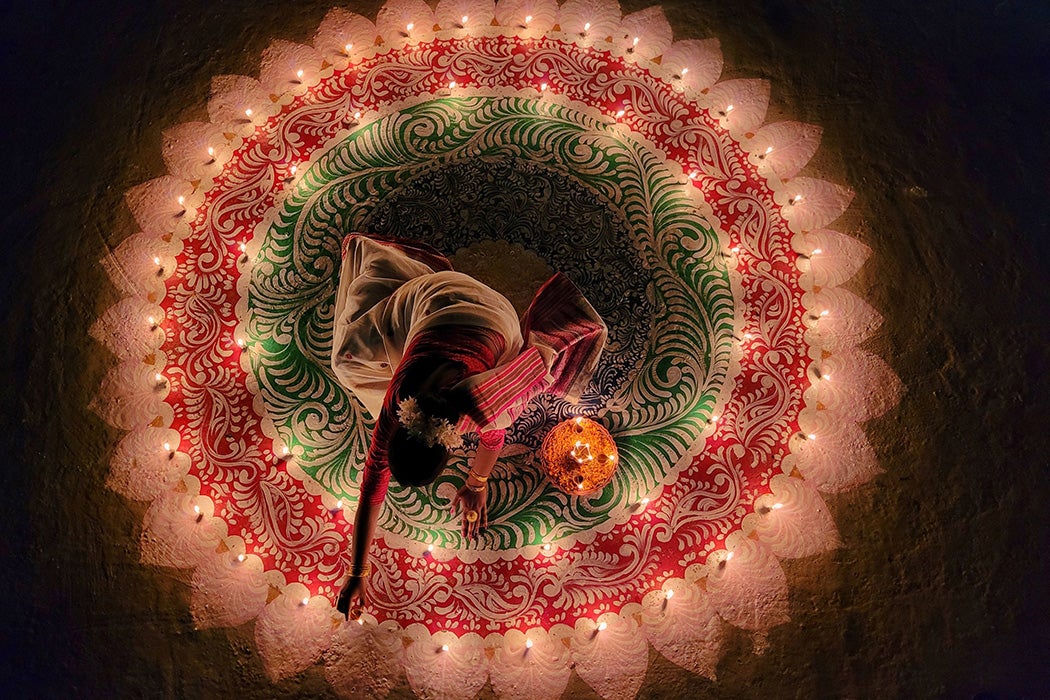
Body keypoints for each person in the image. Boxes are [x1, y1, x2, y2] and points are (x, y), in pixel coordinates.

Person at [331, 233, 606, 620]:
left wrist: (477, 483)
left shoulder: (475, 407)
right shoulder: (402, 401)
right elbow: (374, 485)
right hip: (442, 298)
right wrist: (358, 573)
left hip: (491, 317)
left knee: (348, 364)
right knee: (350, 356)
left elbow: (373, 487)